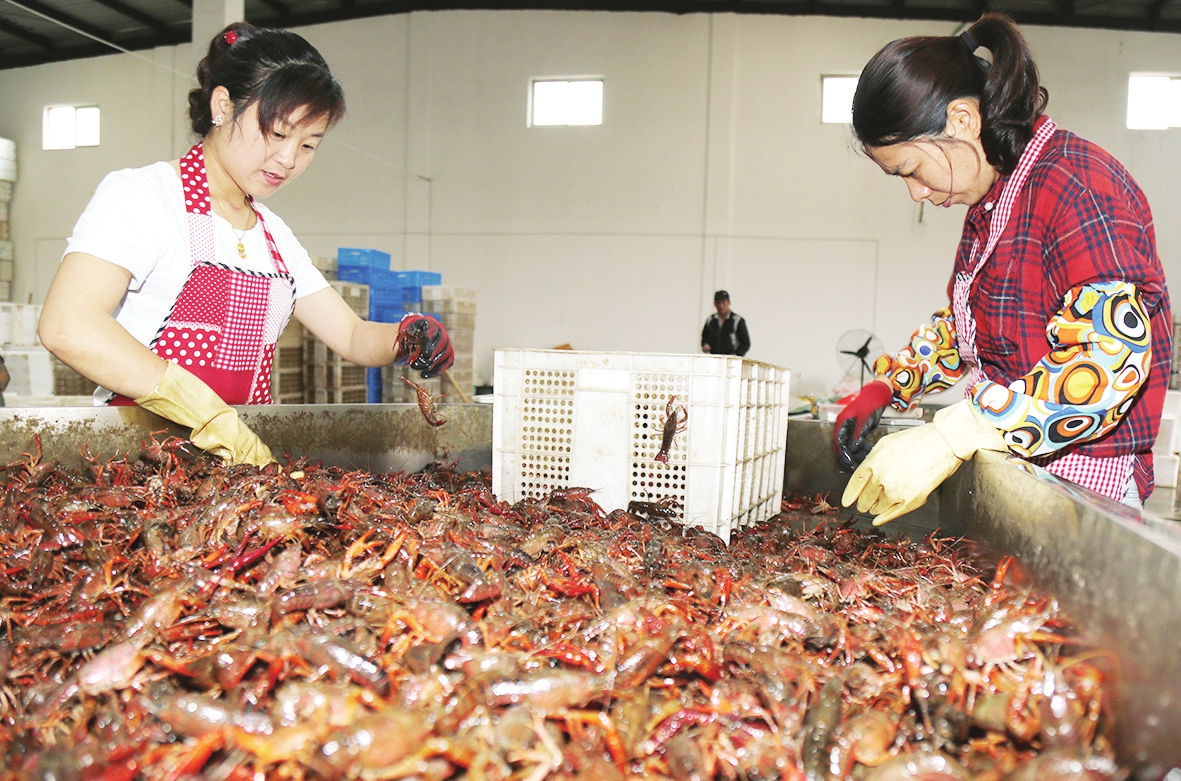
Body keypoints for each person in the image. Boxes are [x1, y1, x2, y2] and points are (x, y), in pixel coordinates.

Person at [38, 22, 453, 467]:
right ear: (222, 105)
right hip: (139, 466)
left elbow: (351, 335)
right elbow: (68, 324)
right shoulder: (143, 196)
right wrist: (204, 411)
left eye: (309, 144)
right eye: (277, 133)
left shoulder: (274, 237)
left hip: (239, 468)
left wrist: (407, 334)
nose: (289, 159)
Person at [836, 13, 1171, 525]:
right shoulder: (993, 201)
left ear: (963, 121)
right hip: (1018, 468)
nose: (917, 192)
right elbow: (968, 324)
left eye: (911, 170)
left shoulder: (1077, 189)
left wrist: (956, 433)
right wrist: (890, 384)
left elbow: (1107, 367)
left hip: (1081, 482)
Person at [701, 290, 751, 356]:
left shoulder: (737, 320)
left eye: (723, 302)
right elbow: (704, 337)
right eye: (718, 303)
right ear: (714, 304)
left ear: (729, 303)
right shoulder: (711, 320)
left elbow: (745, 343)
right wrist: (705, 345)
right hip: (714, 358)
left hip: (732, 359)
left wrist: (737, 355)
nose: (721, 306)